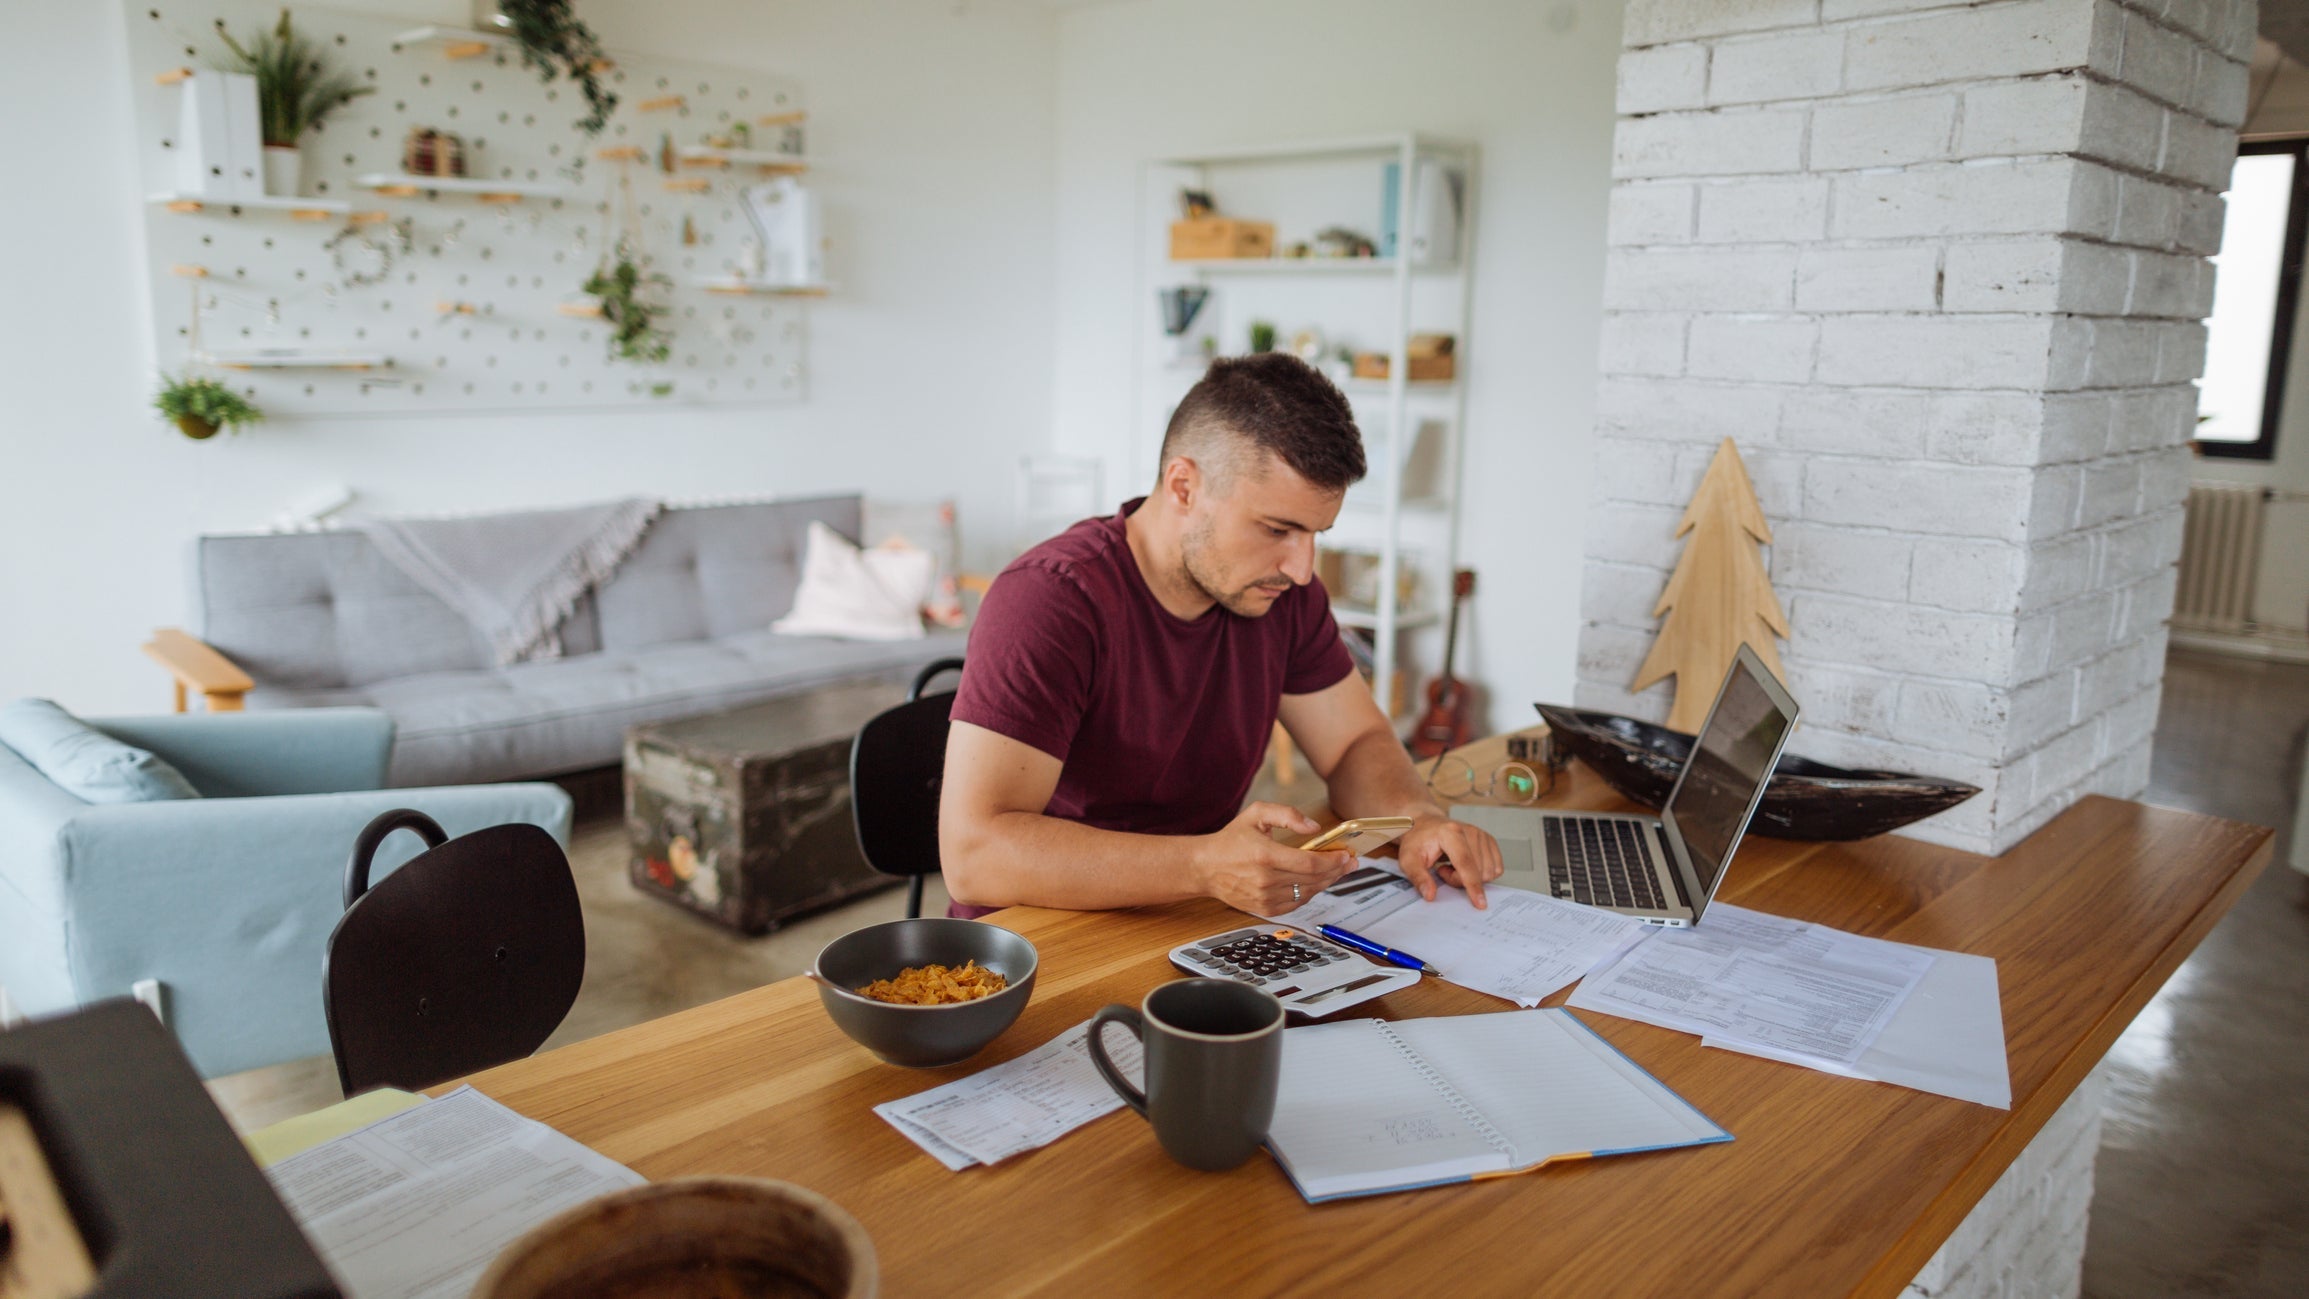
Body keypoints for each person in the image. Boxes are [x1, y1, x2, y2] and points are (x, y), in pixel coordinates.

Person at [939, 352, 1504, 919]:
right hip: (1044, 941)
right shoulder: (1052, 601)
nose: (1302, 569)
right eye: (1277, 529)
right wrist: (1204, 865)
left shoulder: (1284, 595)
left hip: (1196, 917)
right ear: (1183, 486)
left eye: (1316, 534)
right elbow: (974, 856)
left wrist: (1418, 818)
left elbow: (1355, 743)